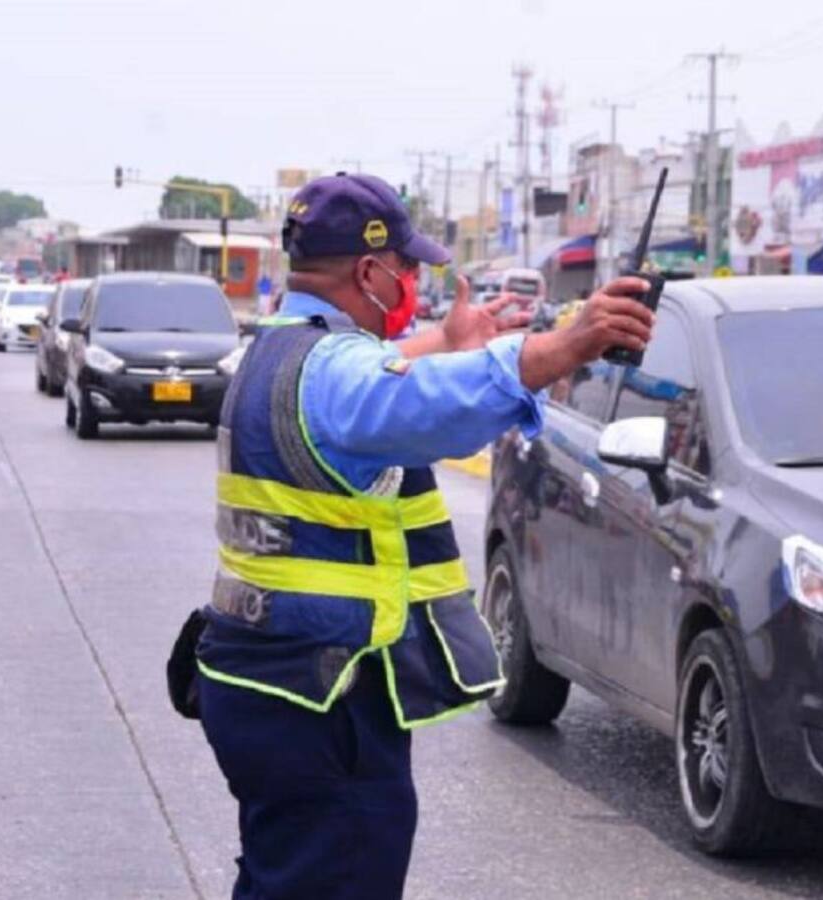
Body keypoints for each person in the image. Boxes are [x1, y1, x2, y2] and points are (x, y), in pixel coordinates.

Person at [194, 173, 655, 900]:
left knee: (284, 878)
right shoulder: (330, 372)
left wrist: (445, 339)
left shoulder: (275, 348)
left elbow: (380, 376)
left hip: (259, 681)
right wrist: (567, 344)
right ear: (369, 271)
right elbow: (410, 401)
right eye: (406, 268)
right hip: (322, 699)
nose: (413, 279)